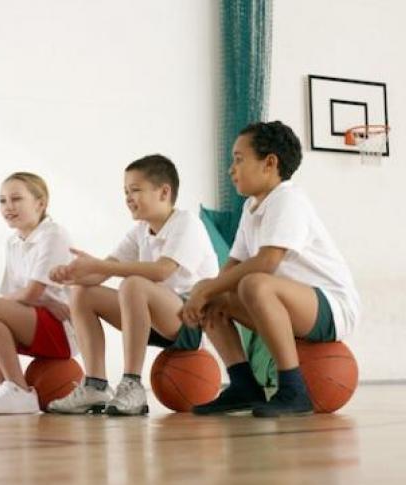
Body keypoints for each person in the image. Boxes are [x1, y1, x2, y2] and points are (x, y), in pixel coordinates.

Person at [181, 121, 361, 417]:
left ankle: (293, 389)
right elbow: (232, 267)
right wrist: (203, 292)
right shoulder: (251, 207)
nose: (231, 169)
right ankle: (243, 385)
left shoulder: (287, 198)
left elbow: (268, 261)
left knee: (254, 283)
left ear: (270, 163)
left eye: (239, 159)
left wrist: (206, 288)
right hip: (290, 305)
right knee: (216, 296)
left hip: (332, 307)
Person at [47, 155, 218, 415]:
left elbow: (162, 271)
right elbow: (100, 274)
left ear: (164, 192)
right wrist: (71, 276)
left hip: (192, 321)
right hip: (155, 320)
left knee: (134, 284)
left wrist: (100, 267)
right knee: (83, 293)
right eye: (126, 191)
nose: (128, 197)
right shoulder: (140, 231)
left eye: (135, 190)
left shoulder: (186, 223)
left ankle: (132, 384)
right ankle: (95, 385)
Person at [0, 172, 75, 415]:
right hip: (37, 318)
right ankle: (2, 385)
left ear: (40, 203)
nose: (8, 207)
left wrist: (35, 297)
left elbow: (28, 294)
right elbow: (20, 295)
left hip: (62, 329)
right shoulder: (13, 242)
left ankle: (19, 390)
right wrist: (39, 299)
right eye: (2, 201)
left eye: (16, 199)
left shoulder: (53, 235)